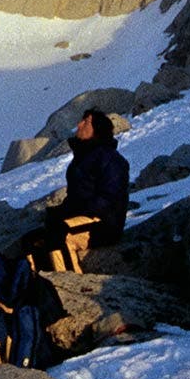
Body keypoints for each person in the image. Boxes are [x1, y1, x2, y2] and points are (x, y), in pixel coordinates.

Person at [41, 108, 128, 271]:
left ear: (97, 129)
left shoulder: (110, 159)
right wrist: (60, 211)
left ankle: (68, 281)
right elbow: (76, 196)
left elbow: (109, 198)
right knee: (35, 239)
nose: (79, 125)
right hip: (82, 217)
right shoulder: (81, 159)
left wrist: (76, 210)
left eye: (86, 122)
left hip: (103, 222)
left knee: (60, 233)